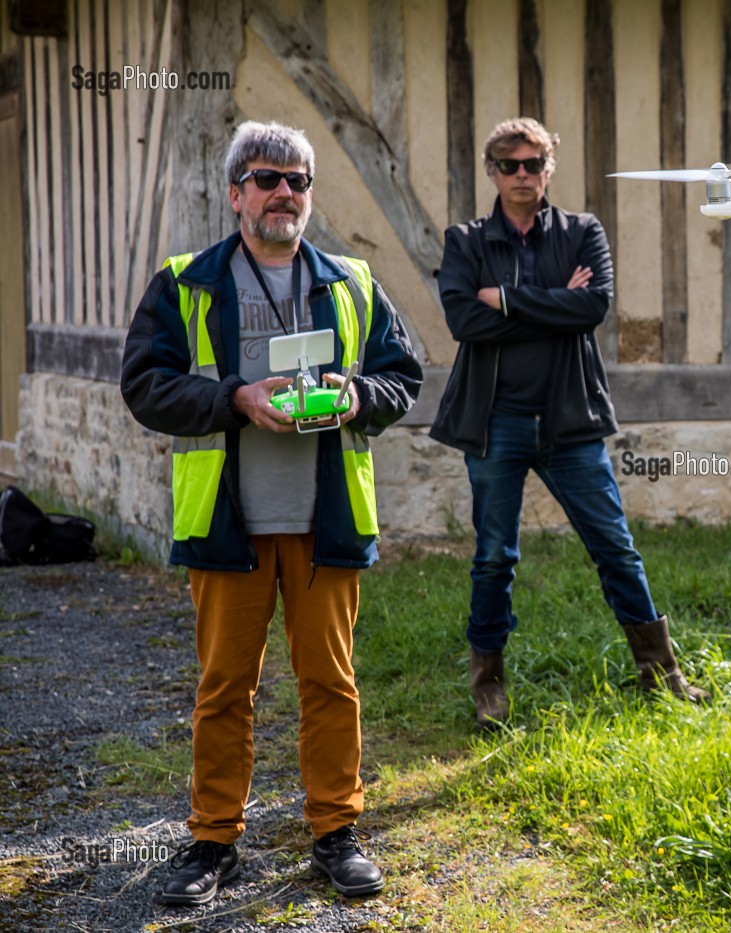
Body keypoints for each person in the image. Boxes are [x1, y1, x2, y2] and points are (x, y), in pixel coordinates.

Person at [121, 121, 422, 905]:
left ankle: (336, 832)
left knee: (331, 682)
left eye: (298, 180)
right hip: (229, 525)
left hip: (326, 522)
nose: (284, 192)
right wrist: (235, 399)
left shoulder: (353, 282)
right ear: (235, 193)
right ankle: (213, 840)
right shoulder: (185, 283)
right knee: (225, 688)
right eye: (267, 178)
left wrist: (358, 396)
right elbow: (144, 386)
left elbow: (403, 375)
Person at [430, 117, 707, 729]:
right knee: (494, 558)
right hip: (495, 423)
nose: (522, 175)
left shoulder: (583, 232)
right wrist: (558, 302)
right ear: (492, 172)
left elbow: (594, 307)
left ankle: (662, 675)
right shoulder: (466, 241)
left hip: (570, 422)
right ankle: (488, 687)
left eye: (533, 163)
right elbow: (464, 322)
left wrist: (505, 298)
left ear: (549, 168)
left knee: (615, 548)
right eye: (510, 165)